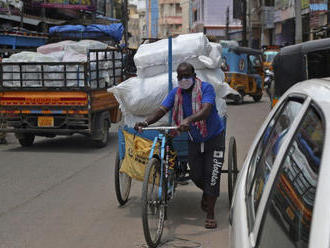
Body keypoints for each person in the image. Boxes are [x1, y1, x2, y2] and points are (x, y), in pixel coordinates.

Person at [134, 62, 226, 229]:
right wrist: (145, 122)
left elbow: (206, 110)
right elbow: (161, 110)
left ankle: (210, 213)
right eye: (180, 77)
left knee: (213, 176)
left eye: (186, 76)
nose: (183, 79)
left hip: (214, 138)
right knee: (197, 176)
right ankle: (208, 192)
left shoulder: (206, 88)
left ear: (194, 75)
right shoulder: (175, 93)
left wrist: (189, 120)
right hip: (194, 139)